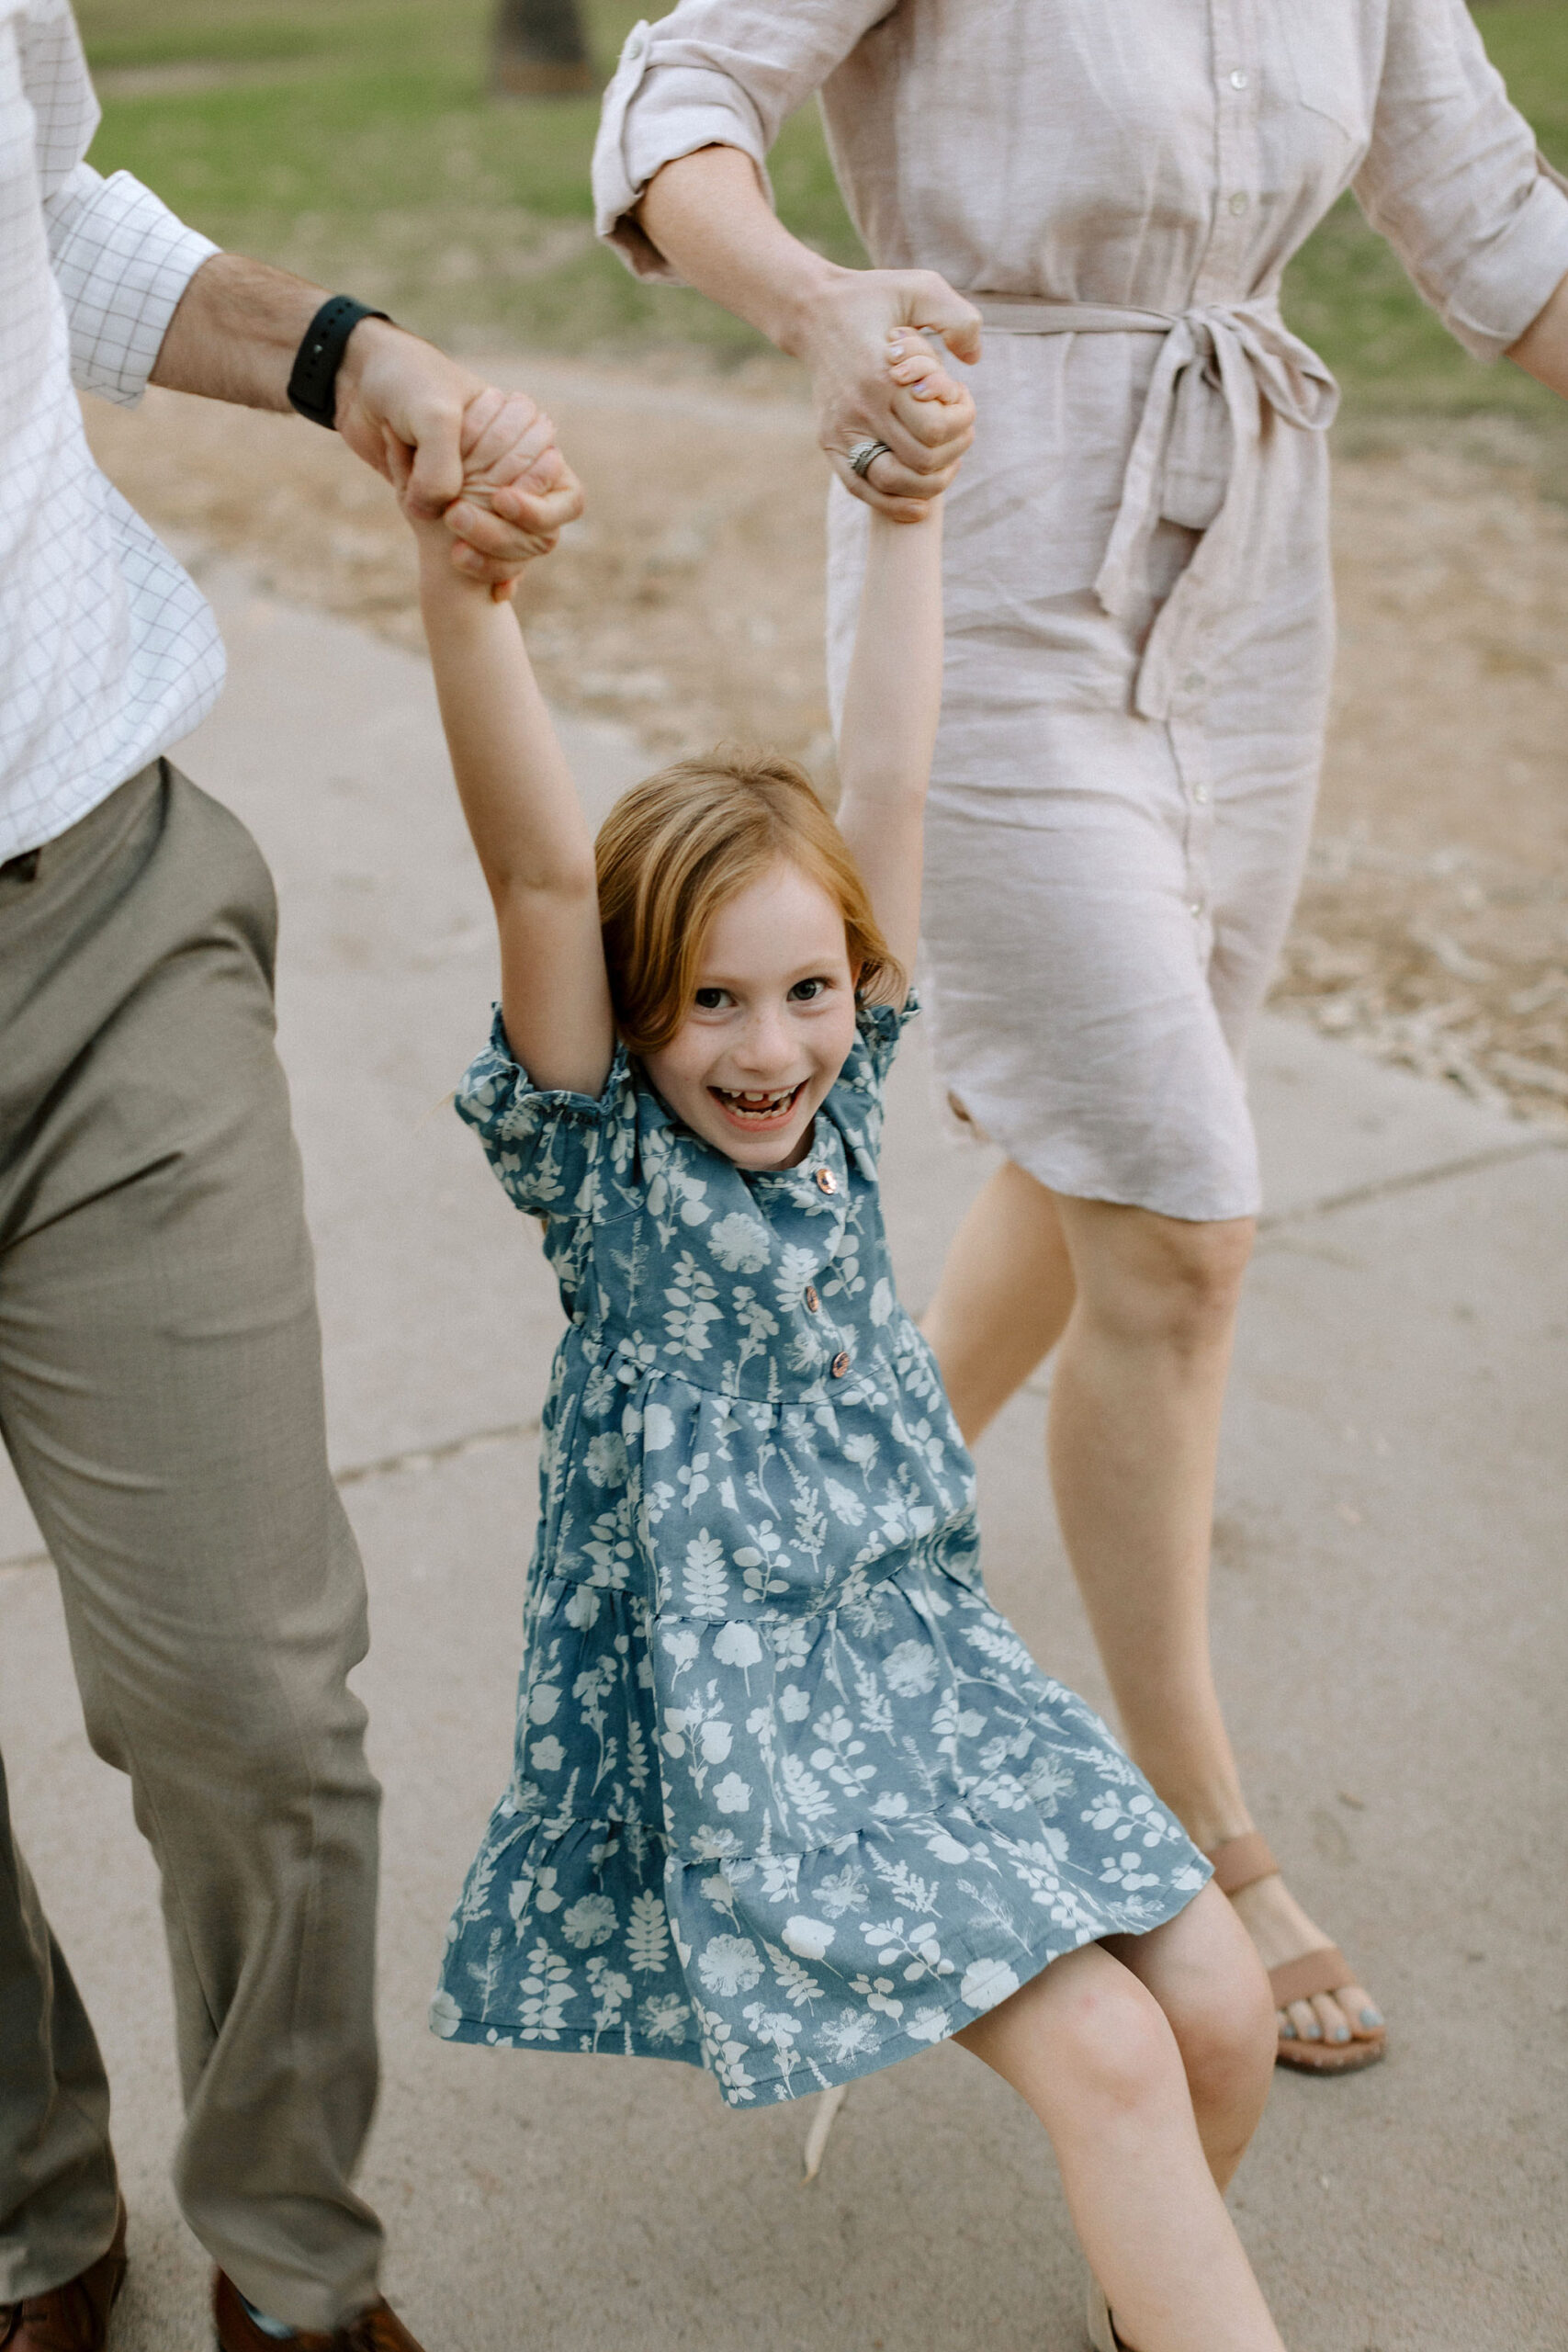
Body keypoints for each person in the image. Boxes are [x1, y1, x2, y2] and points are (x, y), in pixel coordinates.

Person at [589, 0, 1568, 2074]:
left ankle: (798, 1555)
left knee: (1112, 1152)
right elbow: (672, 99)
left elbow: (1501, 242)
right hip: (987, 543)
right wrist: (816, 304)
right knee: (1179, 1222)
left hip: (1248, 571)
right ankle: (1209, 1842)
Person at [403, 332, 1284, 2352]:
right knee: (1116, 2056)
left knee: (1215, 2005)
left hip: (926, 1657)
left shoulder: (846, 1100)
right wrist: (466, 594)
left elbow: (884, 769)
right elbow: (540, 864)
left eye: (805, 988)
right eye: (709, 1002)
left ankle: (1136, 2299)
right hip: (767, 1730)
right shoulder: (608, 1174)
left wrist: (904, 514)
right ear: (628, 1020)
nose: (771, 1043)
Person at [0, 6, 579, 2348]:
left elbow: (43, 216)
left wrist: (349, 357)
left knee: (251, 1688)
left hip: (94, 891)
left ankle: (292, 2256)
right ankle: (33, 2212)